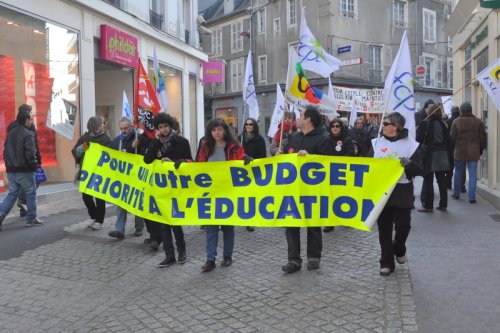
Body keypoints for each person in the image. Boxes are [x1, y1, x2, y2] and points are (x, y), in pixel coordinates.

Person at [277, 106, 335, 273]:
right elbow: (285, 155)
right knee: (291, 224)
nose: (298, 118)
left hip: (313, 191)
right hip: (292, 189)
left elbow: (329, 163)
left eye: (301, 115)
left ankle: (314, 256)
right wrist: (278, 154)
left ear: (308, 120)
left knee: (313, 223)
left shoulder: (323, 139)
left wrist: (310, 158)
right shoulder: (294, 137)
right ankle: (293, 260)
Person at [370, 112, 424, 276]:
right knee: (384, 229)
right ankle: (386, 262)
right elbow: (366, 166)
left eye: (386, 124)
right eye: (383, 124)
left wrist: (409, 164)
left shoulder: (411, 145)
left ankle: (399, 248)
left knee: (403, 227)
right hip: (382, 190)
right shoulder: (375, 143)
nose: (383, 126)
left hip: (402, 191)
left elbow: (420, 169)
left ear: (396, 127)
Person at [196, 118, 250, 272]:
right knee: (211, 228)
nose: (217, 133)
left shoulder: (234, 146)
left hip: (228, 193)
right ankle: (210, 259)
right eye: (214, 130)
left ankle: (227, 256)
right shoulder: (205, 145)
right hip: (210, 193)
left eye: (219, 129)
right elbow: (197, 165)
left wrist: (246, 160)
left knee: (227, 227)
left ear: (225, 130)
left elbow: (241, 161)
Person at [143, 113, 192, 267]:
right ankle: (169, 255)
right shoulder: (156, 142)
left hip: (176, 187)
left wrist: (173, 162)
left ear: (171, 126)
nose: (163, 130)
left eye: (165, 126)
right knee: (164, 224)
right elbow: (147, 159)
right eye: (160, 127)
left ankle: (182, 252)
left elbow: (190, 161)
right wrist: (155, 143)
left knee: (175, 222)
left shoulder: (182, 142)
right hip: (161, 187)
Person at [0, 105, 43, 230]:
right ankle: (32, 218)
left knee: (12, 194)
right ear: (26, 120)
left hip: (11, 169)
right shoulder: (28, 133)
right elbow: (31, 152)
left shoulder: (11, 132)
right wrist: (34, 165)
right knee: (30, 193)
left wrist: (8, 165)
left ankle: (1, 213)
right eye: (30, 119)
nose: (32, 121)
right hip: (24, 170)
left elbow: (5, 151)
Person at [108, 117, 145, 240]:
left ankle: (139, 228)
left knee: (137, 202)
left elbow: (144, 157)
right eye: (121, 129)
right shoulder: (117, 141)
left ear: (132, 127)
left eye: (126, 128)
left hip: (136, 177)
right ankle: (119, 230)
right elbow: (109, 154)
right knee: (121, 203)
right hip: (122, 178)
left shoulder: (139, 139)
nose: (124, 131)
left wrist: (136, 147)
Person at [72, 116, 111, 230]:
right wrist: (83, 147)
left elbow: (111, 154)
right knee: (86, 196)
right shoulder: (84, 138)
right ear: (96, 125)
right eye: (101, 123)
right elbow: (75, 152)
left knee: (99, 197)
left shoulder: (105, 138)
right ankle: (94, 216)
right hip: (87, 172)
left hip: (100, 172)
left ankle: (99, 221)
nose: (103, 125)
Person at [416, 104, 452, 212]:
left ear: (430, 112)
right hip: (442, 154)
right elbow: (449, 141)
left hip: (430, 154)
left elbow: (418, 140)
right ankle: (443, 204)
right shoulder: (443, 124)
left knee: (428, 179)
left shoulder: (425, 124)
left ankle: (428, 205)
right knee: (442, 180)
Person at [450, 102, 487, 203]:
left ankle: (456, 193)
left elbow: (452, 137)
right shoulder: (478, 121)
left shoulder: (456, 122)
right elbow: (483, 138)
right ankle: (472, 197)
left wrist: (454, 149)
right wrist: (480, 149)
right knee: (473, 174)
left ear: (461, 110)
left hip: (459, 151)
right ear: (471, 110)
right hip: (473, 151)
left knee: (458, 172)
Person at [323, 118, 355, 233]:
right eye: (333, 126)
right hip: (329, 173)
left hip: (343, 173)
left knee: (343, 197)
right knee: (329, 197)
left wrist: (339, 160)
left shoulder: (347, 140)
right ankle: (330, 223)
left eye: (337, 126)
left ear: (341, 128)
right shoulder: (326, 140)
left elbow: (351, 154)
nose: (335, 128)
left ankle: (346, 218)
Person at [237, 117, 267, 232]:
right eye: (246, 124)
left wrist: (254, 161)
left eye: (250, 124)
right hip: (241, 171)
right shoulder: (240, 139)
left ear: (254, 126)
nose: (248, 126)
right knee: (242, 195)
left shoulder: (259, 139)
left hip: (253, 171)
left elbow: (263, 156)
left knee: (251, 196)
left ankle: (250, 221)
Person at [445, 106, 463, 191]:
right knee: (460, 168)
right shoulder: (461, 121)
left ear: (452, 112)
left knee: (450, 167)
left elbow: (445, 136)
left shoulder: (447, 121)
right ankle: (461, 186)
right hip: (460, 147)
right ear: (458, 112)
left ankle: (448, 184)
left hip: (450, 147)